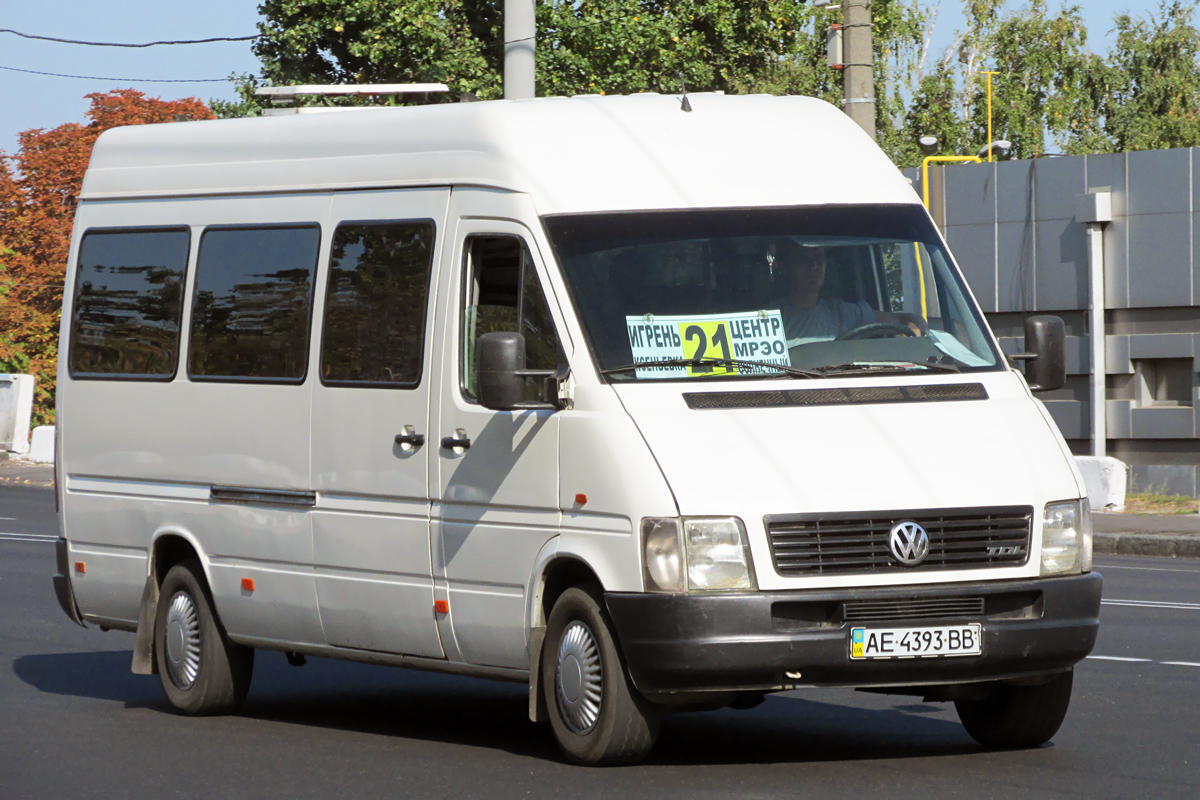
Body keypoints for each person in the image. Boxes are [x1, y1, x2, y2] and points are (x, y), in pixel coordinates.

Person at [773, 239, 925, 343]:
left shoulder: (843, 314)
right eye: (802, 260)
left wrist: (913, 335)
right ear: (785, 267)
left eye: (819, 259)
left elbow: (910, 321)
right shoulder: (767, 319)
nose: (813, 266)